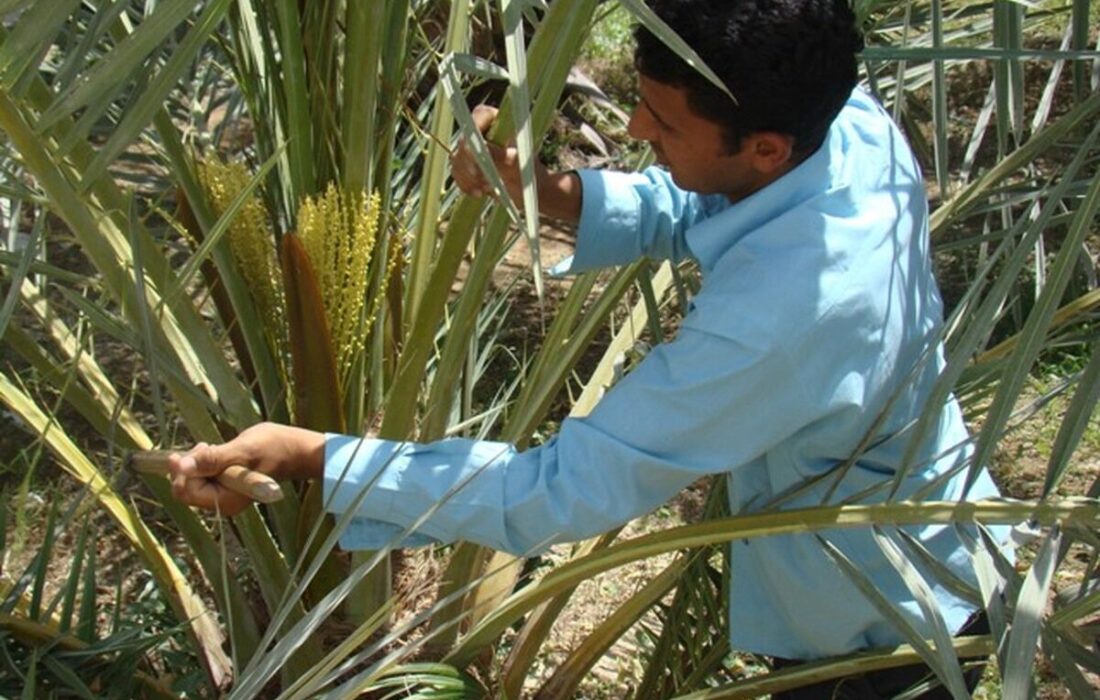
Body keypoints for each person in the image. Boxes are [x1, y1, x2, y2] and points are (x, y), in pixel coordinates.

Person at [169, 1, 1010, 696]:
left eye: (664, 120)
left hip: (880, 641)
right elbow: (702, 201)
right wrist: (542, 192)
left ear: (764, 145)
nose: (637, 123)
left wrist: (312, 455)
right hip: (934, 545)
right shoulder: (841, 121)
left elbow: (555, 495)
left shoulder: (785, 320)